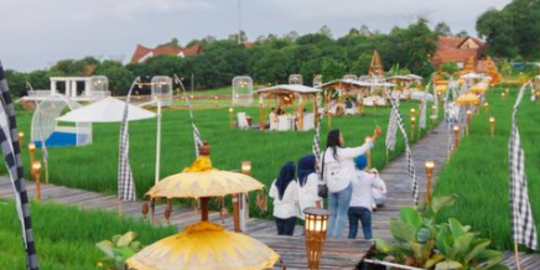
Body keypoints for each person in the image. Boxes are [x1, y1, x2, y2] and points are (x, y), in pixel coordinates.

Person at [321, 127, 381, 239]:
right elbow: (363, 148)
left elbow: (323, 172)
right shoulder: (344, 152)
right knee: (341, 215)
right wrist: (375, 136)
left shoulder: (323, 154)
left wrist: (325, 183)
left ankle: (328, 238)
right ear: (337, 139)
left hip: (331, 188)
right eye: (341, 136)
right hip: (344, 187)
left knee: (332, 214)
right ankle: (337, 238)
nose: (342, 138)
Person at [348, 155, 385, 240]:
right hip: (365, 207)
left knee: (352, 229)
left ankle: (349, 247)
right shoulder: (369, 177)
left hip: (351, 206)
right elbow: (380, 186)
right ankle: (369, 248)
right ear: (365, 164)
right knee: (367, 229)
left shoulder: (350, 176)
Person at [269, 161, 298, 236]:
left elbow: (271, 195)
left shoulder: (276, 181)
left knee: (280, 234)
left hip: (277, 212)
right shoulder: (293, 183)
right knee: (288, 236)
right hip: (289, 213)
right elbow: (297, 199)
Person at [297, 155, 323, 221]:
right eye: (315, 161)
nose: (317, 163)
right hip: (313, 207)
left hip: (303, 206)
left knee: (307, 228)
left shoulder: (300, 177)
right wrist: (319, 209)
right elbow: (315, 194)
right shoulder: (312, 176)